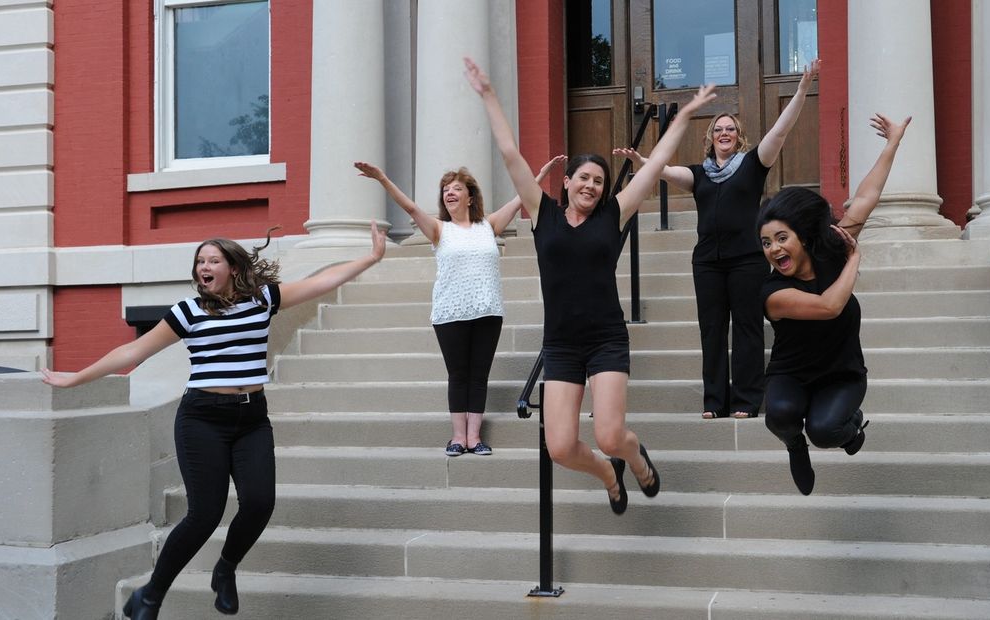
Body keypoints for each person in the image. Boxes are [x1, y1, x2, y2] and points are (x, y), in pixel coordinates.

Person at [41, 223, 388, 619]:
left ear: (233, 268)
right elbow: (134, 350)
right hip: (202, 419)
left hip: (252, 418)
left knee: (259, 503)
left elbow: (323, 281)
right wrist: (77, 376)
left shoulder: (262, 300)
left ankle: (225, 568)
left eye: (213, 260)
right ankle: (150, 596)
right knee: (204, 513)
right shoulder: (187, 312)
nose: (204, 266)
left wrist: (371, 258)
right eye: (199, 261)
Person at [466, 56, 716, 514]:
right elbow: (509, 154)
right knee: (560, 447)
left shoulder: (613, 214)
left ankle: (635, 460)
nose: (593, 186)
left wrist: (683, 116)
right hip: (561, 344)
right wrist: (488, 94)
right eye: (584, 178)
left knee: (610, 434)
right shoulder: (543, 213)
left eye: (599, 180)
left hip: (605, 339)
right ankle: (608, 474)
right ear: (566, 182)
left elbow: (656, 161)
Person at [615, 60, 820, 420]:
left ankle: (745, 400)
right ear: (710, 137)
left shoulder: (754, 164)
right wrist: (642, 160)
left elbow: (780, 133)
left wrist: (802, 90)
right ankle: (714, 402)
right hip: (707, 262)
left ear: (738, 137)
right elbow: (663, 170)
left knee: (746, 329)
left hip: (746, 260)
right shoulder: (699, 175)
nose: (724, 133)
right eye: (718, 129)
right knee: (711, 331)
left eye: (730, 129)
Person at [354, 157, 565, 456]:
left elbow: (522, 197)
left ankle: (474, 438)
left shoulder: (488, 225)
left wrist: (541, 172)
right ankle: (457, 437)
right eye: (445, 190)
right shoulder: (440, 229)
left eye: (455, 188)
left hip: (488, 311)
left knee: (479, 376)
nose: (449, 193)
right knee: (458, 375)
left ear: (470, 196)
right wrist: (382, 179)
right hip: (450, 313)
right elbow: (411, 208)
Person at [757, 113, 911, 495]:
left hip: (841, 374)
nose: (774, 249)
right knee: (779, 415)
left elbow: (866, 197)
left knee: (825, 432)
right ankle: (795, 445)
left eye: (781, 238)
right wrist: (855, 260)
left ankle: (849, 424)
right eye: (766, 243)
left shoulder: (830, 245)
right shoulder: (773, 293)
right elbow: (829, 306)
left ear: (803, 238)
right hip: (791, 374)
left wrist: (892, 142)